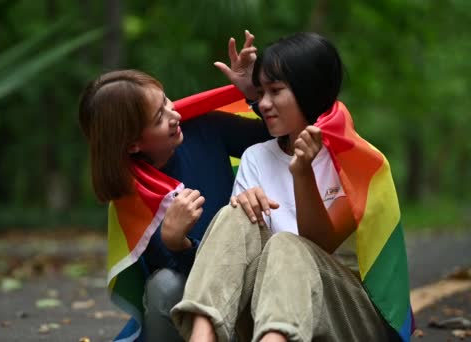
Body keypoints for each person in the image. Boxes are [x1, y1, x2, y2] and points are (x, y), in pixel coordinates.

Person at [171, 32, 412, 342]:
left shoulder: (354, 161)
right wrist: (245, 204)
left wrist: (303, 175)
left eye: (275, 91)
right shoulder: (256, 157)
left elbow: (317, 243)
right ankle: (201, 337)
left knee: (287, 245)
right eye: (261, 92)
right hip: (264, 308)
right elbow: (239, 261)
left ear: (309, 90)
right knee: (235, 215)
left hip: (346, 316)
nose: (263, 104)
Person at [78, 37, 271, 341]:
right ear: (132, 144)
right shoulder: (135, 192)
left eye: (167, 101)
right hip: (194, 292)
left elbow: (272, 137)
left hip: (249, 270)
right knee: (163, 286)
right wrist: (175, 241)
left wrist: (254, 93)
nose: (175, 114)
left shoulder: (202, 127)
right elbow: (185, 276)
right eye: (159, 118)